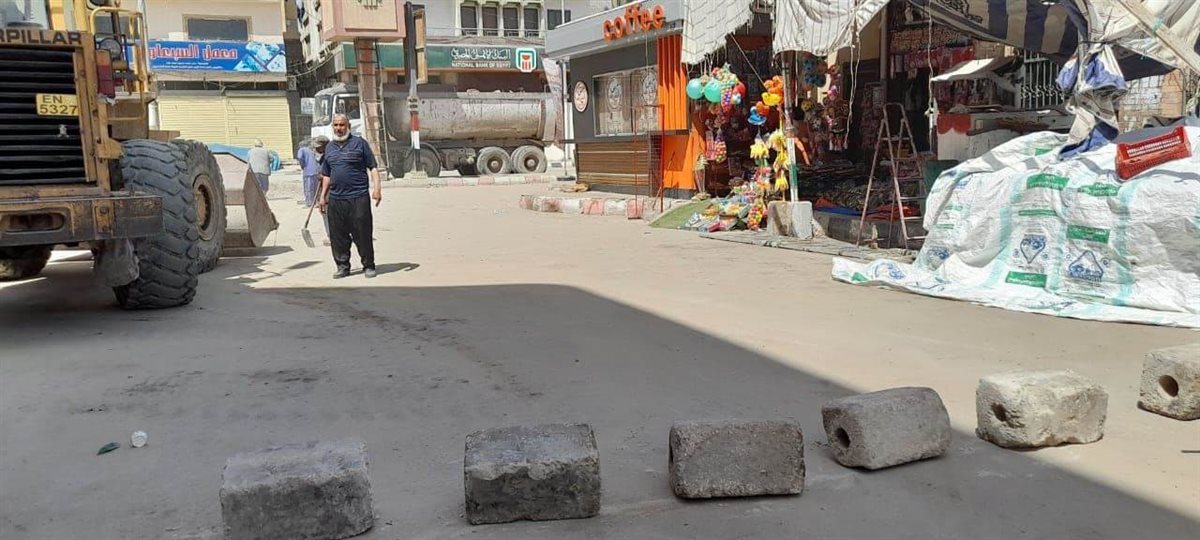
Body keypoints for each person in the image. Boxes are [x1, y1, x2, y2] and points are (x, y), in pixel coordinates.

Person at [318, 114, 382, 279]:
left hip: (358, 197)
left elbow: (373, 167)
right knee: (338, 236)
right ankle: (342, 266)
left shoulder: (360, 144)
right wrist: (323, 196)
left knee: (362, 233)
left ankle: (368, 265)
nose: (339, 128)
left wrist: (377, 189)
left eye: (342, 125)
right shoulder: (329, 148)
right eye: (336, 125)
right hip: (336, 199)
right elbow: (326, 174)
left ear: (348, 127)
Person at [297, 136, 328, 207]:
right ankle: (316, 201)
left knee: (308, 188)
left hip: (308, 171)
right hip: (316, 170)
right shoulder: (311, 150)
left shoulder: (302, 149)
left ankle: (310, 202)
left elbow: (300, 157)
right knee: (316, 188)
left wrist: (302, 165)